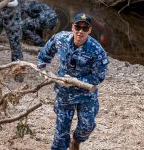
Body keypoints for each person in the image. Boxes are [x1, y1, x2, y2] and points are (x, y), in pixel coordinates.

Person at [37, 13, 109, 150]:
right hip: (64, 93)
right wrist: (44, 71)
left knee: (87, 126)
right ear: (73, 27)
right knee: (60, 134)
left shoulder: (97, 51)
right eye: (78, 27)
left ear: (90, 30)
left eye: (85, 28)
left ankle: (76, 142)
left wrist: (76, 81)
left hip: (86, 95)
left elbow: (98, 77)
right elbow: (44, 55)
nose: (80, 31)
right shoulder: (61, 38)